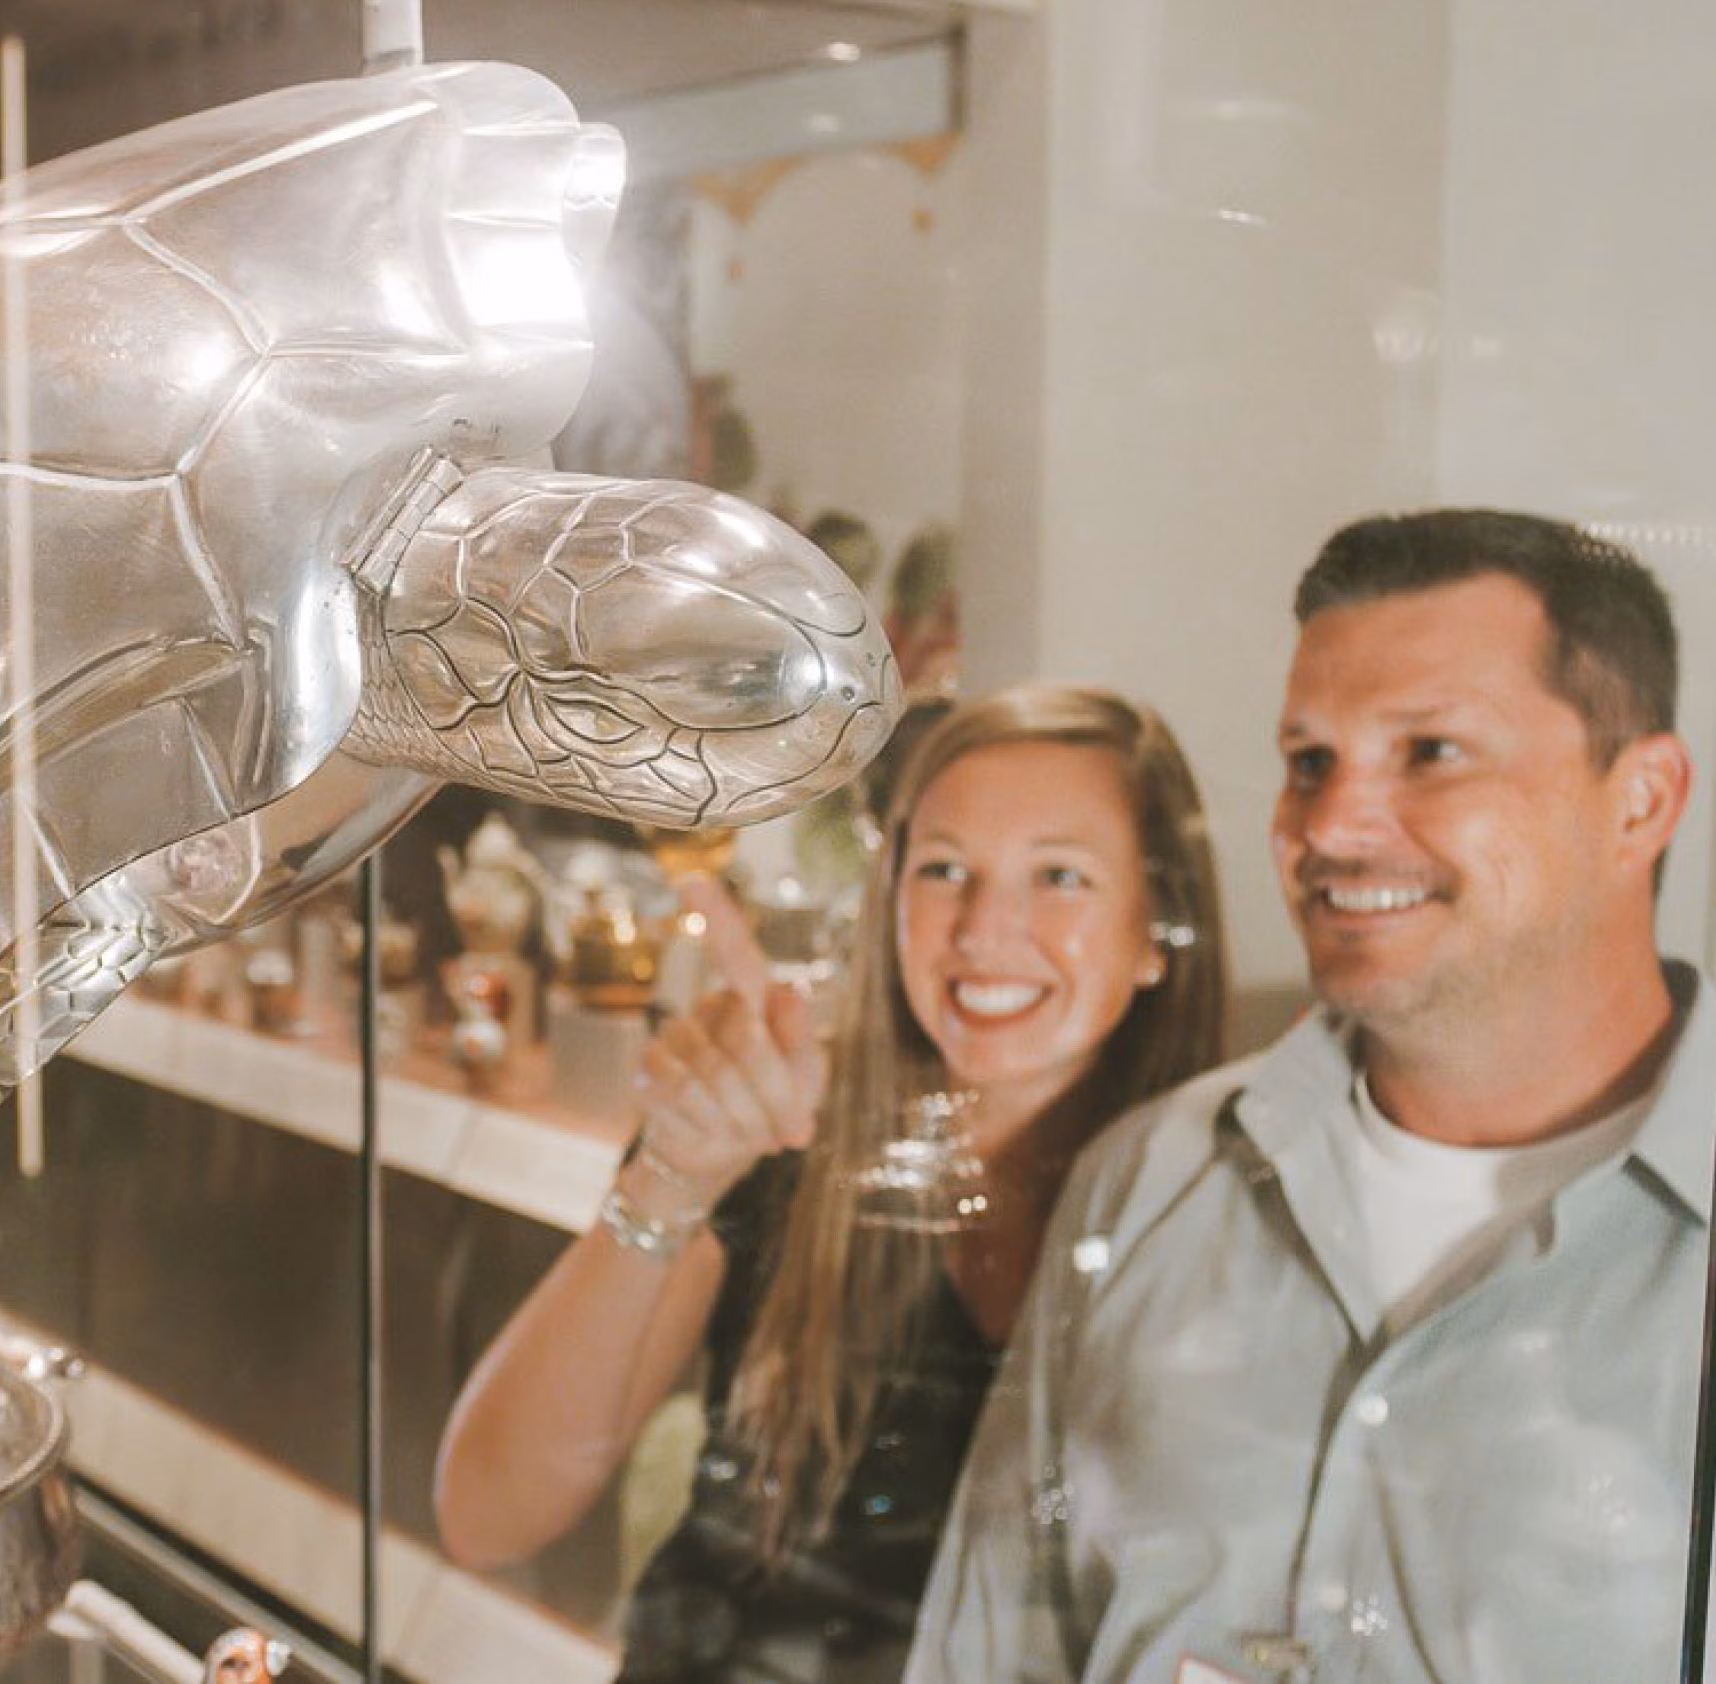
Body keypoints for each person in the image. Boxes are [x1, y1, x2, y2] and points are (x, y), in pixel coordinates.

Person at [905, 507, 1715, 1683]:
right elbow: (988, 1651)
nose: (1331, 824)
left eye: (1431, 752)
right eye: (1308, 762)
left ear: (1639, 801)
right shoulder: (1149, 1175)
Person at [433, 684, 1228, 1680]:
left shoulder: (1226, 1213)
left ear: (1159, 930)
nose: (984, 927)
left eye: (1059, 876)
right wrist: (672, 1173)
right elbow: (488, 1512)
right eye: (944, 869)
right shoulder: (786, 1134)